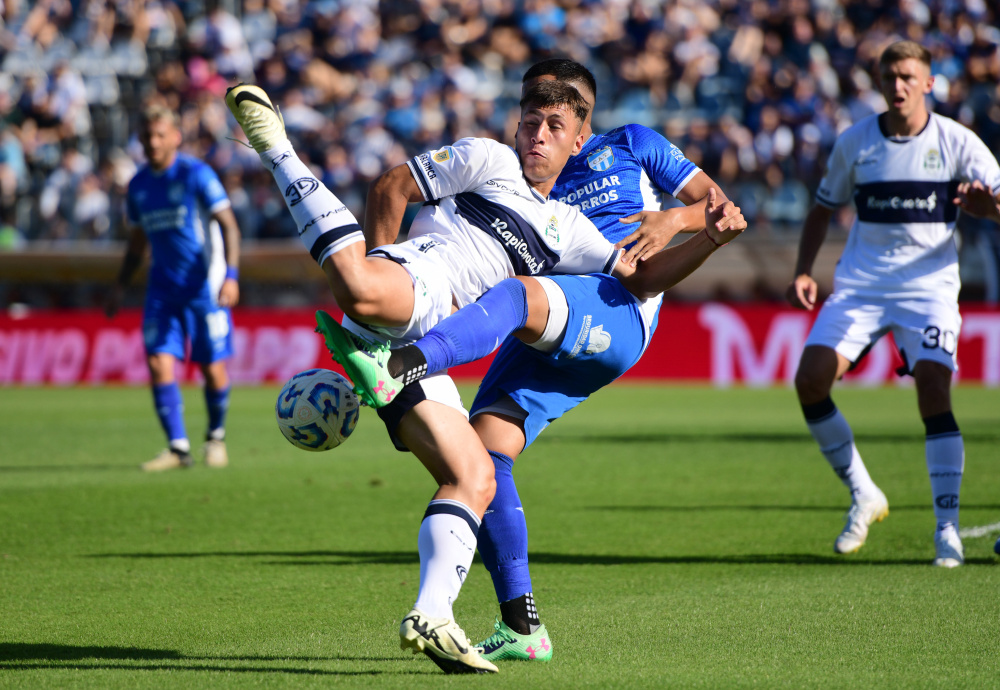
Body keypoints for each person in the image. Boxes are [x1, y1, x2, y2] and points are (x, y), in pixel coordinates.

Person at [225, 81, 744, 674]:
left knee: (475, 476)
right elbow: (390, 185)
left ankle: (434, 614)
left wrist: (704, 237)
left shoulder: (570, 229)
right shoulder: (489, 159)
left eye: (553, 126)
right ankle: (277, 149)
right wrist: (384, 260)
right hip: (416, 290)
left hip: (426, 346)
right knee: (364, 289)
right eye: (529, 122)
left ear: (578, 141)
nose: (537, 136)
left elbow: (638, 280)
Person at [785, 41, 1000, 568]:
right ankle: (864, 493)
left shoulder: (957, 142)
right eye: (889, 76)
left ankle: (947, 528)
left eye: (907, 76)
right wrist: (804, 269)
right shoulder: (855, 141)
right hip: (861, 286)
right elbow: (821, 208)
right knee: (810, 379)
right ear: (879, 83)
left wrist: (988, 210)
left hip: (928, 289)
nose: (897, 85)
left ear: (929, 83)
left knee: (933, 386)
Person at [106, 104, 242, 472]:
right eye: (147, 136)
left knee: (212, 367)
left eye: (160, 135)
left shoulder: (195, 174)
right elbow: (137, 242)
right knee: (157, 361)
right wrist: (120, 286)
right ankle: (178, 448)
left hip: (204, 286)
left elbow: (229, 224)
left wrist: (231, 275)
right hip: (162, 289)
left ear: (175, 137)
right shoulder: (138, 185)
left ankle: (215, 437)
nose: (152, 142)